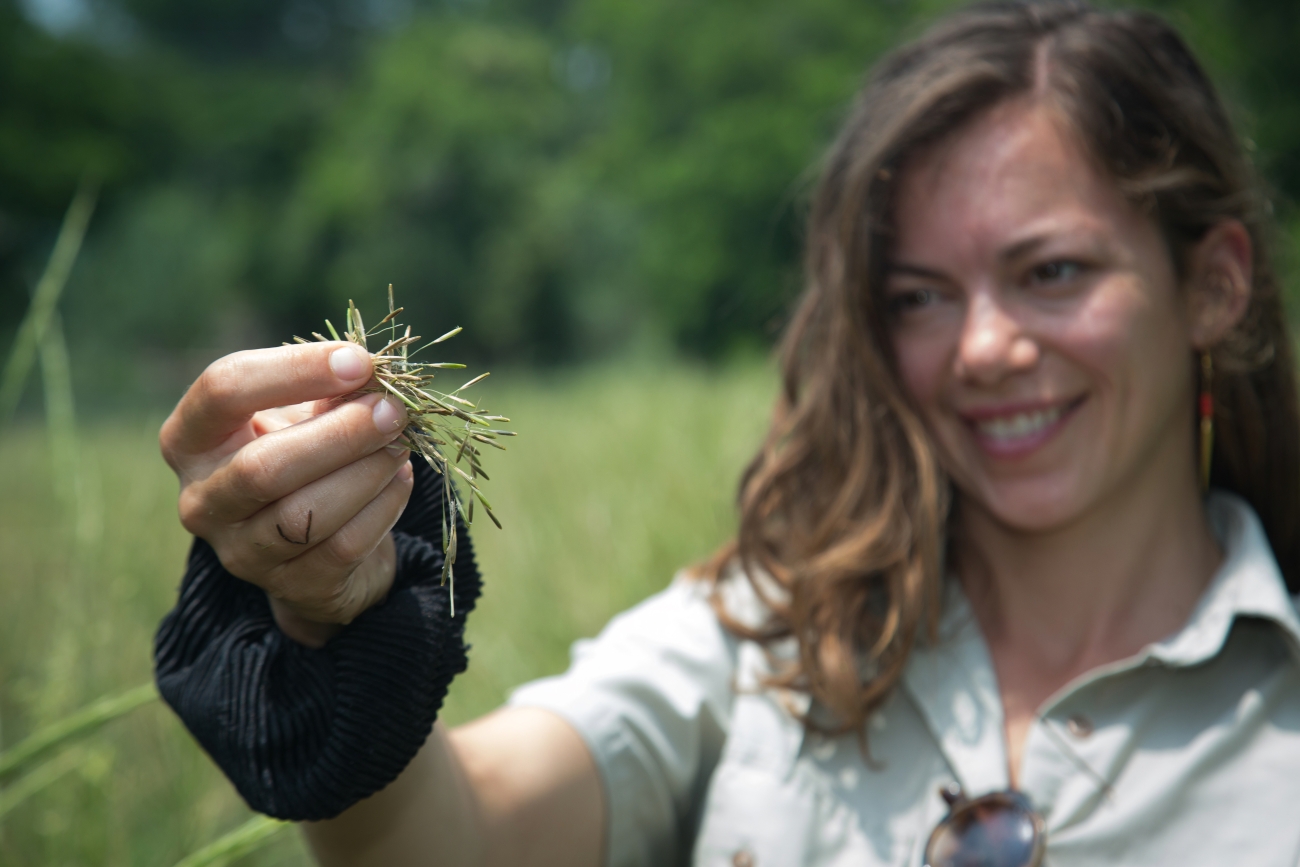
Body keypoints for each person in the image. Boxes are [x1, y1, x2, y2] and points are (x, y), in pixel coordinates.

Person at [153, 1, 1300, 865]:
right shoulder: (772, 639)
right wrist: (337, 616)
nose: (982, 348)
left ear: (1213, 284)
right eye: (918, 296)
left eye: (1051, 273)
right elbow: (457, 835)